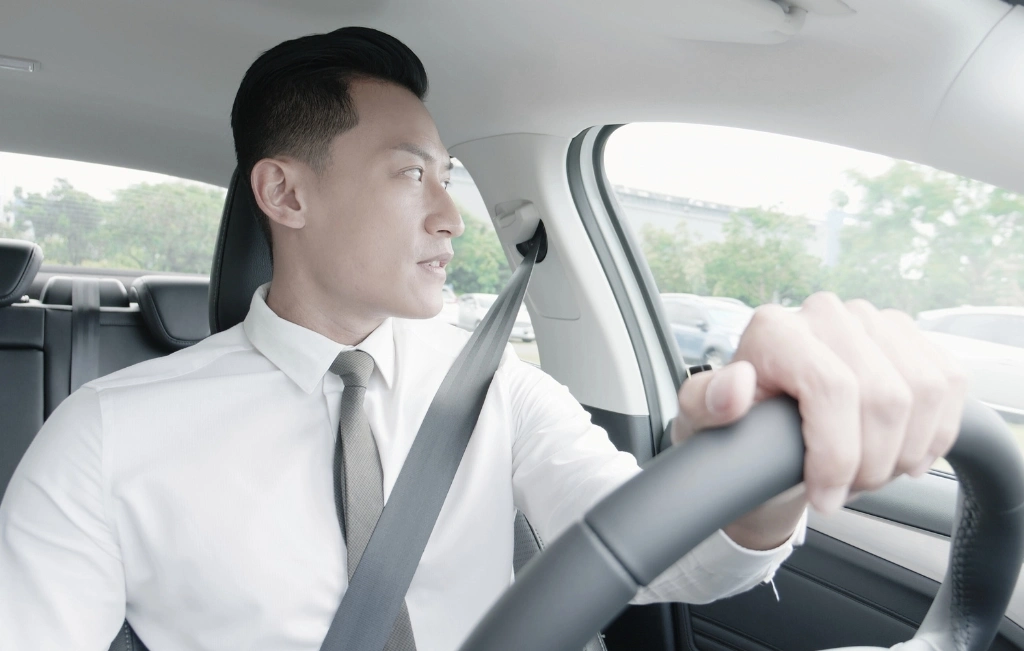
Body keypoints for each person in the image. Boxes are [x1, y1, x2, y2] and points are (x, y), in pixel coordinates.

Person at [0, 26, 967, 651]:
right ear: (285, 193)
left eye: (449, 174)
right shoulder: (104, 434)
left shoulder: (496, 389)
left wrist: (767, 477)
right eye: (410, 174)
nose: (453, 216)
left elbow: (682, 561)